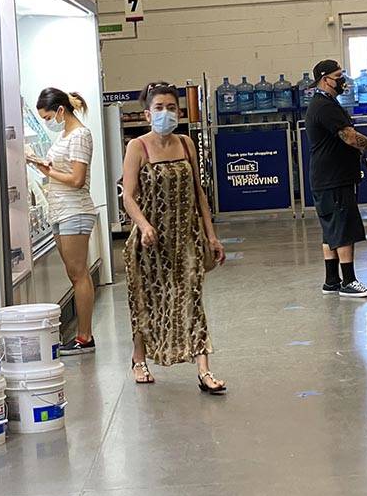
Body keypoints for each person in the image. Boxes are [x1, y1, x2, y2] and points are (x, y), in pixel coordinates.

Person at [121, 82, 227, 393]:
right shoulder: (137, 147)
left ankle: (204, 370)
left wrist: (211, 236)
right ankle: (139, 359)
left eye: (171, 108)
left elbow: (199, 194)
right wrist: (143, 224)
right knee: (147, 303)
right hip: (150, 243)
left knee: (192, 300)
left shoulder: (185, 143)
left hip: (187, 239)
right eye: (159, 108)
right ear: (147, 113)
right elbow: (128, 196)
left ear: (179, 112)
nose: (165, 113)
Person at [304, 59, 367, 298]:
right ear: (325, 80)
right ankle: (348, 280)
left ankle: (331, 280)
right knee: (343, 228)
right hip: (333, 178)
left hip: (326, 177)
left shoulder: (324, 103)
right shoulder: (325, 107)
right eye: (338, 77)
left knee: (331, 229)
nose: (343, 81)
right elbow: (349, 137)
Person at [28, 87, 97, 354]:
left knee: (79, 274)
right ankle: (84, 334)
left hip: (74, 210)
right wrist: (44, 166)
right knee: (74, 273)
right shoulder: (66, 136)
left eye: (47, 118)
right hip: (61, 211)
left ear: (60, 110)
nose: (47, 123)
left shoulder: (79, 135)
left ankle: (84, 337)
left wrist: (48, 171)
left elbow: (78, 180)